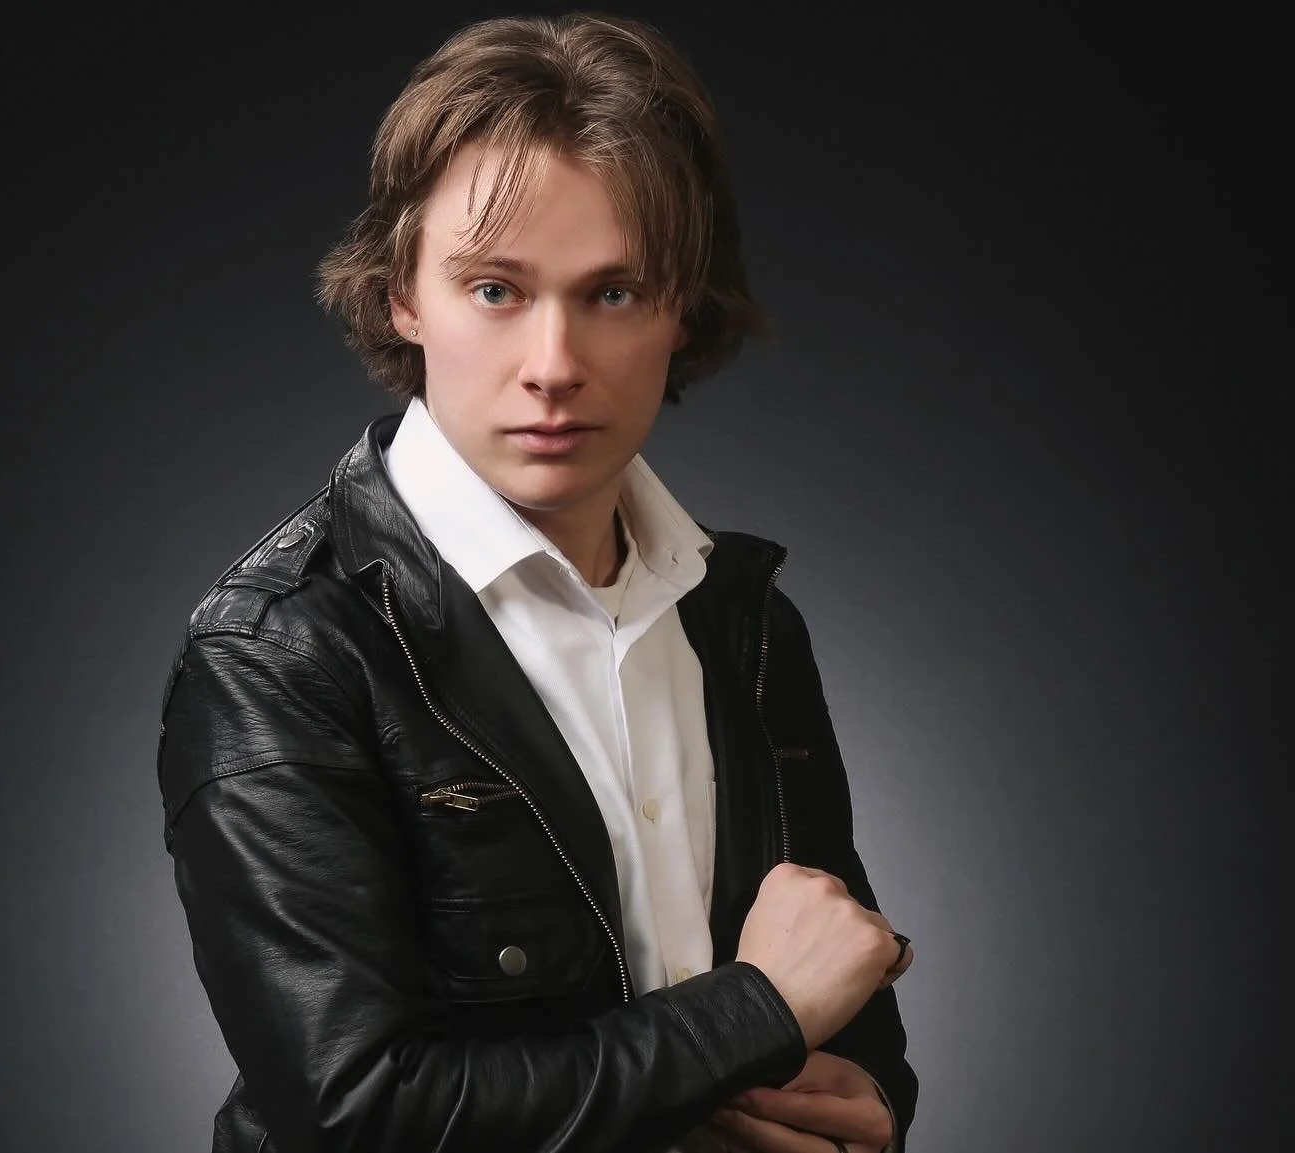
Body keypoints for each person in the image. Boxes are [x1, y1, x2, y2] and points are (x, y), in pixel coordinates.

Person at [157, 12, 917, 1153]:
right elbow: (362, 1115)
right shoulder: (283, 651)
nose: (553, 367)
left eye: (613, 293)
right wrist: (753, 1013)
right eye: (496, 290)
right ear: (403, 294)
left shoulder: (745, 621)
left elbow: (842, 978)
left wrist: (875, 1105)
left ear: (682, 310)